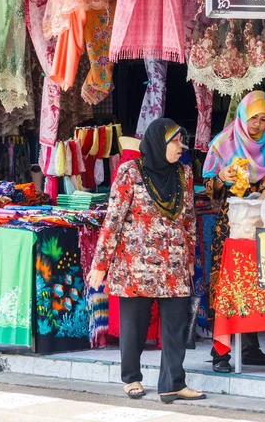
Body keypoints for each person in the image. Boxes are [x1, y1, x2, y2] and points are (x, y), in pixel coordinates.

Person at [88, 118, 205, 404]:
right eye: (175, 141)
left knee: (176, 325)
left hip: (174, 264)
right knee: (134, 326)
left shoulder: (185, 174)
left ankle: (172, 384)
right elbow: (113, 220)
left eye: (181, 140)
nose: (182, 146)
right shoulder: (130, 172)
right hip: (135, 266)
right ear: (157, 142)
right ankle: (131, 378)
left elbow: (189, 218)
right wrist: (100, 264)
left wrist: (190, 257)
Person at [203, 90, 265, 372]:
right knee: (225, 284)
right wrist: (221, 178)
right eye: (253, 119)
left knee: (252, 283)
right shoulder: (223, 142)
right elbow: (209, 189)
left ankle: (250, 348)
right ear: (242, 116)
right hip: (229, 225)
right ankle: (220, 353)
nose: (258, 125)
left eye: (264, 119)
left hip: (256, 223)